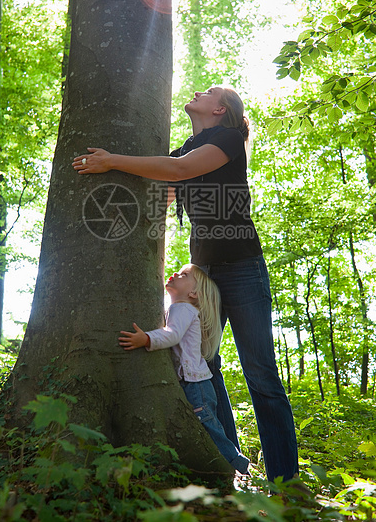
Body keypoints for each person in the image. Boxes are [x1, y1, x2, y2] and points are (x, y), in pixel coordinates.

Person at [72, 85, 299, 482]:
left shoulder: (227, 137)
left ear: (220, 108)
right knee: (204, 365)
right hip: (205, 272)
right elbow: (167, 179)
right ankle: (233, 465)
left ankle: (286, 482)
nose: (197, 91)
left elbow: (176, 172)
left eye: (208, 91)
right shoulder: (186, 148)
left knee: (260, 373)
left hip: (243, 267)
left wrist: (110, 161)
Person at [118, 263, 251, 475]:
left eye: (184, 274)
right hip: (196, 384)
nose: (175, 274)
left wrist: (146, 339)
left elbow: (172, 334)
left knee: (209, 429)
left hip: (196, 386)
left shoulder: (183, 308)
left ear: (194, 293)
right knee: (207, 427)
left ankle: (237, 465)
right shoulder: (180, 309)